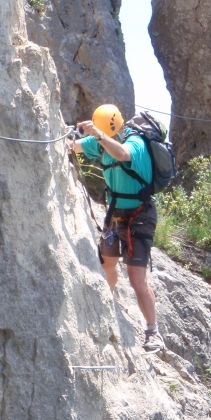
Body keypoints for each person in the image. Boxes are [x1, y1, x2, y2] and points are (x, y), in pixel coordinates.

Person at [71, 104, 164, 353]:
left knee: (136, 279)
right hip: (115, 215)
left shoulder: (136, 143)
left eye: (103, 133)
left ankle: (153, 331)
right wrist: (70, 136)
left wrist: (99, 136)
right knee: (107, 263)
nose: (100, 138)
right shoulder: (101, 140)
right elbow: (76, 147)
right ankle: (108, 300)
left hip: (139, 215)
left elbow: (123, 154)